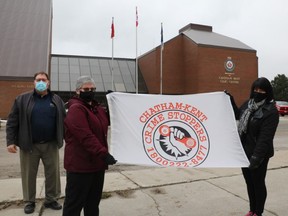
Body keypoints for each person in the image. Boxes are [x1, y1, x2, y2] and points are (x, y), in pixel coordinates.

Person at [6, 71, 66, 214]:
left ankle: (51, 199)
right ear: (33, 82)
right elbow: (12, 121)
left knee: (53, 173)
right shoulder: (22, 99)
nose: (41, 81)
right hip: (29, 145)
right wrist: (10, 141)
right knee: (28, 174)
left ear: (48, 82)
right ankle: (29, 201)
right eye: (38, 79)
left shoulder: (56, 99)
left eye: (43, 79)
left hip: (51, 144)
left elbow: (65, 120)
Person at [62, 76, 117, 216]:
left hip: (97, 165)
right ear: (78, 91)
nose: (90, 91)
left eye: (93, 89)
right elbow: (85, 136)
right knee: (74, 205)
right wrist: (103, 153)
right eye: (86, 89)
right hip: (80, 166)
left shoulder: (96, 108)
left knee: (93, 203)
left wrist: (112, 104)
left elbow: (109, 121)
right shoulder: (76, 109)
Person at [228, 77, 279, 216]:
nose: (258, 92)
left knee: (258, 183)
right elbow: (238, 115)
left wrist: (256, 158)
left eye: (261, 90)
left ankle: (259, 212)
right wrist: (230, 101)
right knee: (249, 183)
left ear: (267, 92)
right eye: (256, 89)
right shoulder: (248, 104)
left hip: (259, 155)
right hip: (244, 152)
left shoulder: (271, 111)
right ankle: (252, 210)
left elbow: (265, 138)